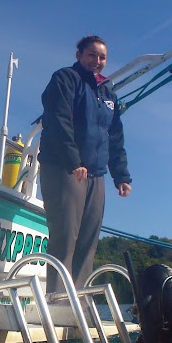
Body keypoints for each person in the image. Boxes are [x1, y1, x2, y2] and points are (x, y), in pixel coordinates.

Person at [38, 35, 132, 295]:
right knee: (66, 236)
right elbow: (59, 121)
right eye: (92, 55)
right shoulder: (65, 79)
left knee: (88, 241)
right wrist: (73, 161)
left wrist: (121, 176)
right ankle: (57, 299)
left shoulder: (107, 93)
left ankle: (76, 301)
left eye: (102, 57)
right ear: (79, 55)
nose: (97, 61)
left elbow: (115, 137)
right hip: (64, 168)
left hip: (96, 174)